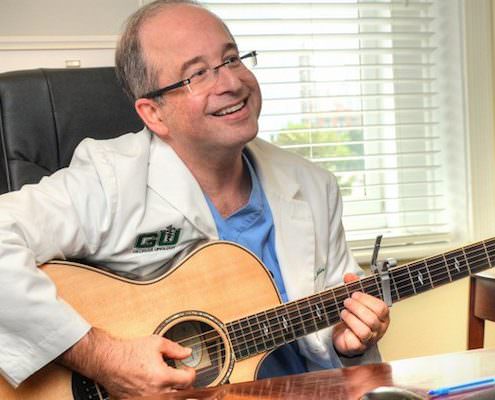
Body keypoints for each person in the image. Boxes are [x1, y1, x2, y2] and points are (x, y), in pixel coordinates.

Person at [0, 0, 390, 398]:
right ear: (154, 114)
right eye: (197, 74)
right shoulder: (111, 179)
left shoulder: (313, 186)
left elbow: (340, 351)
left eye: (232, 59)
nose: (231, 83)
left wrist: (350, 343)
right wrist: (102, 356)